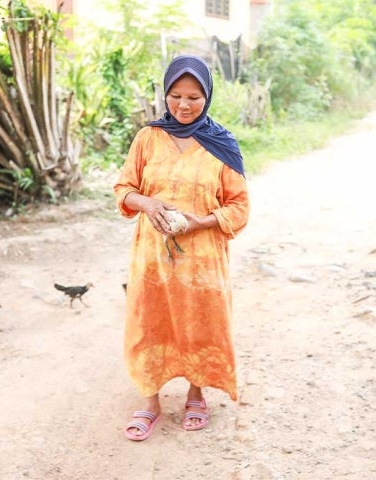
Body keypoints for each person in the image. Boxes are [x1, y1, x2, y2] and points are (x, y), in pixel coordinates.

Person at [113, 54, 250, 442]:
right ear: (165, 94)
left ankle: (195, 394)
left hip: (202, 261)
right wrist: (149, 203)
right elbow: (124, 190)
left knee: (199, 323)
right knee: (148, 322)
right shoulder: (148, 138)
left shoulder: (221, 144)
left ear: (207, 96)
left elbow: (239, 207)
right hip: (152, 258)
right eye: (176, 95)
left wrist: (199, 221)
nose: (184, 105)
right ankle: (150, 402)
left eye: (194, 97)